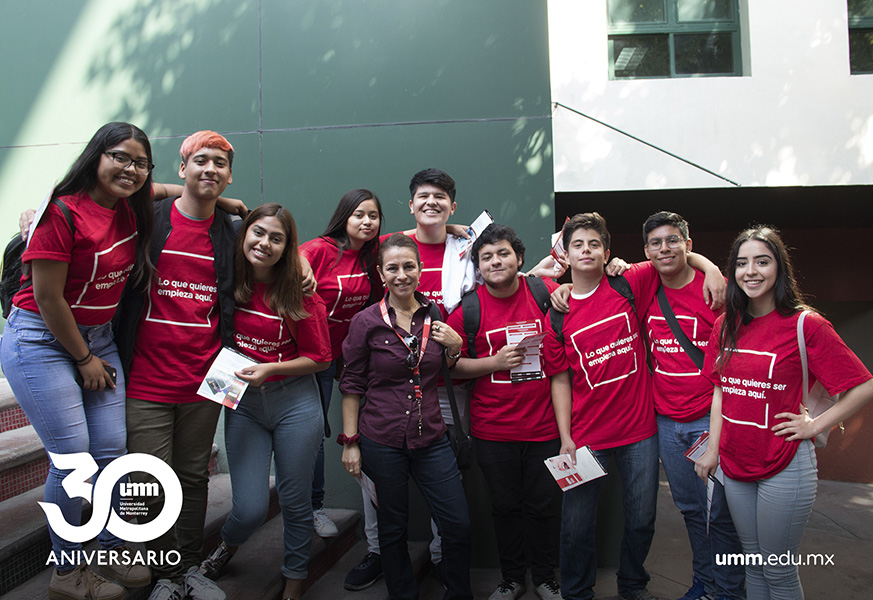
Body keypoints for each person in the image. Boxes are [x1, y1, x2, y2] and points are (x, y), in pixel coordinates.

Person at [0, 122, 156, 600]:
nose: (130, 169)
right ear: (96, 157)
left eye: (141, 163)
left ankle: (107, 552)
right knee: (73, 461)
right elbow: (47, 299)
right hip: (41, 341)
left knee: (110, 453)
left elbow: (163, 186)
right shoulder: (60, 213)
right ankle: (68, 573)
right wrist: (85, 358)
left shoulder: (130, 207)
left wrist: (232, 204)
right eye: (120, 157)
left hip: (98, 338)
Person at [694, 225, 873, 600]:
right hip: (736, 463)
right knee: (754, 563)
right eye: (742, 263)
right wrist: (713, 448)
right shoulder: (726, 325)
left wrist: (813, 426)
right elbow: (720, 390)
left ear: (780, 268)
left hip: (785, 462)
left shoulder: (807, 325)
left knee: (778, 568)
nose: (751, 271)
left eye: (762, 261)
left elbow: (863, 385)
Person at [115, 130, 238, 600]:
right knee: (148, 477)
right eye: (200, 160)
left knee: (193, 476)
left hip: (209, 379)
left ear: (229, 176)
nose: (211, 169)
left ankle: (187, 568)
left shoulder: (233, 230)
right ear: (181, 168)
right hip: (145, 377)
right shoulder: (150, 218)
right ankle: (162, 574)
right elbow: (113, 189)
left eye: (221, 164)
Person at [198, 204, 331, 600]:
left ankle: (293, 582)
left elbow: (321, 358)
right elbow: (209, 203)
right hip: (244, 404)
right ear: (243, 235)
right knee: (251, 509)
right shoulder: (225, 280)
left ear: (288, 247)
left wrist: (271, 369)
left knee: (295, 501)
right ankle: (228, 544)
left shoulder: (298, 290)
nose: (265, 243)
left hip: (295, 402)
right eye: (258, 233)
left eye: (277, 238)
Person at [339, 233, 473, 600]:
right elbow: (351, 384)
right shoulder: (366, 322)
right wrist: (350, 443)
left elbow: (443, 368)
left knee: (458, 525)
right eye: (393, 268)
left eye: (409, 266)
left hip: (431, 437)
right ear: (382, 274)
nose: (402, 274)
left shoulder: (436, 314)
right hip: (381, 439)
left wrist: (456, 347)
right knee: (393, 528)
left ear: (420, 269)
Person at [544, 212, 661, 600]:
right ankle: (577, 593)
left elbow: (672, 254)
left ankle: (632, 585)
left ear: (607, 251)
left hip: (639, 432)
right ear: (567, 254)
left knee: (642, 519)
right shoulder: (557, 314)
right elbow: (559, 379)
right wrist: (566, 438)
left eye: (595, 243)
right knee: (576, 526)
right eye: (578, 244)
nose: (587, 250)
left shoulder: (628, 284)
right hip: (586, 436)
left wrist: (709, 266)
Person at [446, 223, 562, 600]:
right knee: (506, 507)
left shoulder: (546, 292)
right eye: (487, 257)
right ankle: (512, 578)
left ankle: (545, 578)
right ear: (478, 267)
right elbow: (452, 368)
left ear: (520, 259)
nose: (496, 262)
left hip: (546, 428)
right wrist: (494, 363)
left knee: (544, 507)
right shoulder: (468, 311)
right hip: (493, 431)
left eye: (503, 253)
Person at [639, 211, 745, 600]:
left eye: (673, 240)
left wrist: (713, 269)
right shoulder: (647, 286)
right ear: (647, 251)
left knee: (720, 513)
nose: (664, 248)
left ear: (688, 244)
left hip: (709, 418)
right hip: (667, 422)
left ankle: (730, 590)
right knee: (690, 510)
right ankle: (705, 583)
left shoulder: (715, 291)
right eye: (656, 243)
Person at [299, 189, 383, 545]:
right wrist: (300, 267)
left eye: (373, 216)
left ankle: (314, 507)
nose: (366, 222)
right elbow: (293, 257)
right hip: (308, 357)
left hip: (343, 358)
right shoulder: (320, 249)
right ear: (344, 216)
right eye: (359, 215)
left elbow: (412, 237)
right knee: (311, 433)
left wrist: (453, 226)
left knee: (323, 431)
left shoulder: (372, 254)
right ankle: (309, 508)